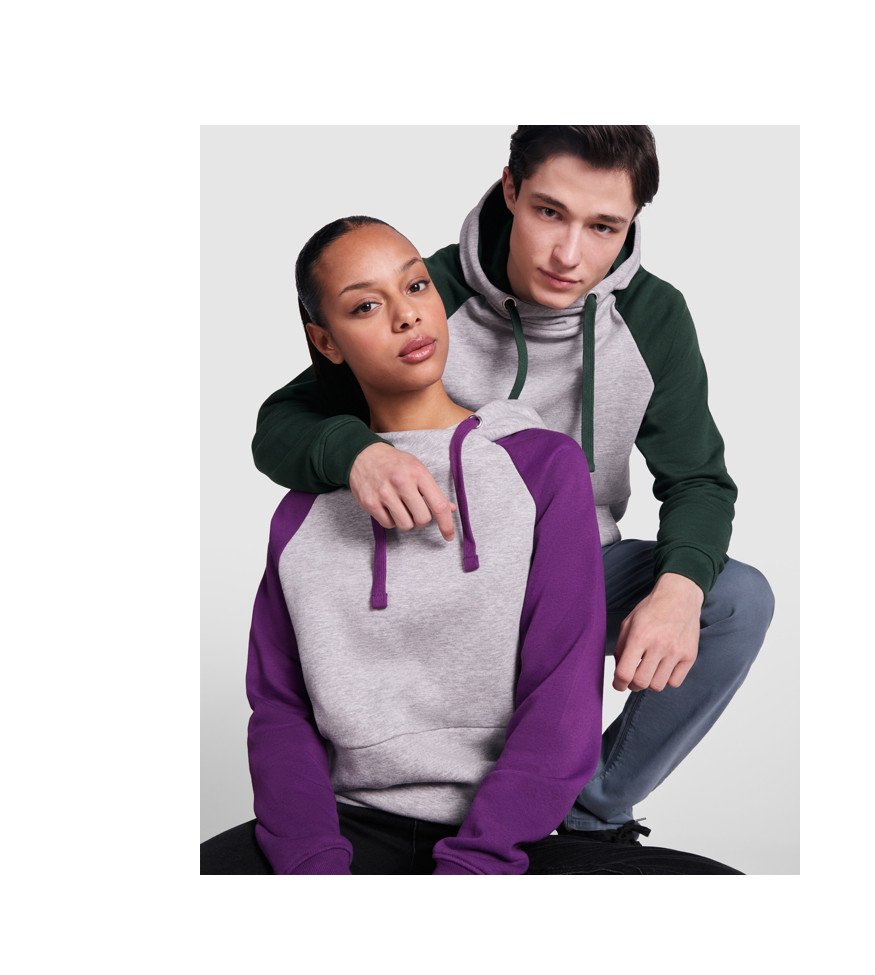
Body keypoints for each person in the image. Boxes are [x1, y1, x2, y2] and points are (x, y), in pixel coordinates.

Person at [250, 126, 776, 843]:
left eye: (604, 227)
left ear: (633, 223)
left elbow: (700, 482)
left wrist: (680, 591)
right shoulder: (424, 292)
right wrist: (356, 454)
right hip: (449, 562)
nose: (569, 255)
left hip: (578, 564)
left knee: (734, 598)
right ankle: (419, 792)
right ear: (510, 190)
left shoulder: (652, 318)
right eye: (550, 213)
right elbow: (281, 422)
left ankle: (588, 810)